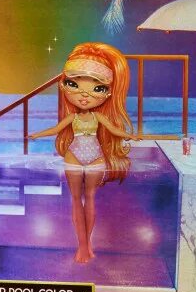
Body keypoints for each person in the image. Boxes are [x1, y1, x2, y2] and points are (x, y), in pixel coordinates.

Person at [29, 42, 141, 263]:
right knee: (76, 199)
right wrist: (36, 135)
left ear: (108, 93)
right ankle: (81, 245)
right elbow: (56, 129)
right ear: (64, 86)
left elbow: (114, 130)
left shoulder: (99, 117)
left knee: (89, 199)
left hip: (95, 156)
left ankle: (87, 244)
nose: (84, 95)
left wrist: (129, 135)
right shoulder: (73, 117)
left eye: (97, 89)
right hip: (75, 154)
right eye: (73, 84)